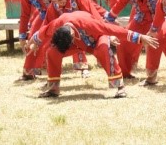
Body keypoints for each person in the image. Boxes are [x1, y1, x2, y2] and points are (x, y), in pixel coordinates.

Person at [27, 10, 158, 98]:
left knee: (103, 49)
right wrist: (33, 43)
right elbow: (41, 33)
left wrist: (140, 37)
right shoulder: (57, 25)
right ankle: (53, 88)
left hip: (96, 38)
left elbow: (111, 29)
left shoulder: (87, 24)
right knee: (52, 52)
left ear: (72, 35)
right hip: (76, 44)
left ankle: (119, 87)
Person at [18, 0, 50, 80]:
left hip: (58, 16)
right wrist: (22, 36)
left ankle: (81, 66)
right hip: (42, 15)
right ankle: (29, 72)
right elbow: (24, 15)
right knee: (32, 38)